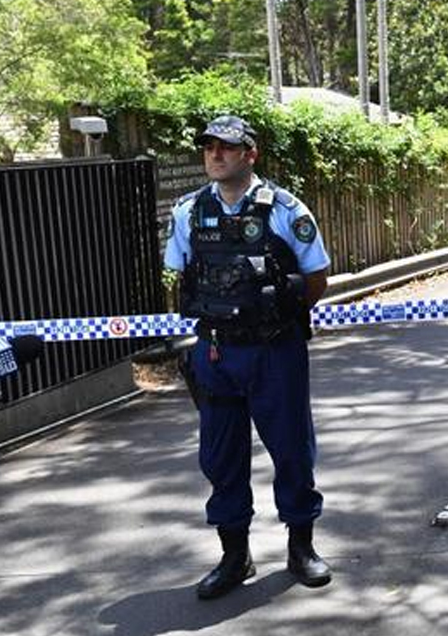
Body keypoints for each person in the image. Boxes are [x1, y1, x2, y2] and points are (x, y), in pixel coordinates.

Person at [164, 115, 333, 599]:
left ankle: (301, 546)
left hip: (274, 351)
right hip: (216, 352)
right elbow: (180, 274)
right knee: (220, 457)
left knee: (292, 450)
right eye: (209, 147)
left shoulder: (284, 210)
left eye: (227, 147)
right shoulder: (189, 212)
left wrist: (278, 310)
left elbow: (317, 277)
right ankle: (234, 555)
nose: (215, 155)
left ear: (250, 154)